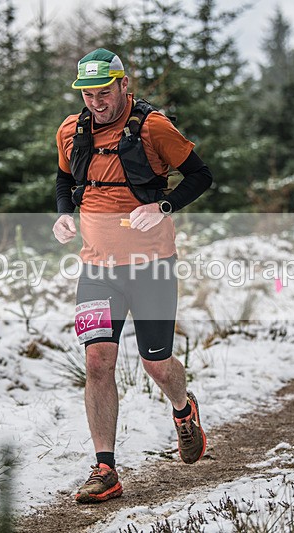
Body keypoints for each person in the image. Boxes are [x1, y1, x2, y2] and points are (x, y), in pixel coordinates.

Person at [52, 48, 213, 504]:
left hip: (152, 268)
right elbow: (64, 181)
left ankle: (183, 410)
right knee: (97, 362)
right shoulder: (70, 130)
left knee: (156, 365)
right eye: (88, 94)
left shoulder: (154, 128)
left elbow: (201, 176)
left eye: (104, 92)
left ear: (125, 85)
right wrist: (65, 215)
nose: (96, 102)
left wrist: (162, 206)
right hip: (96, 270)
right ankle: (106, 470)